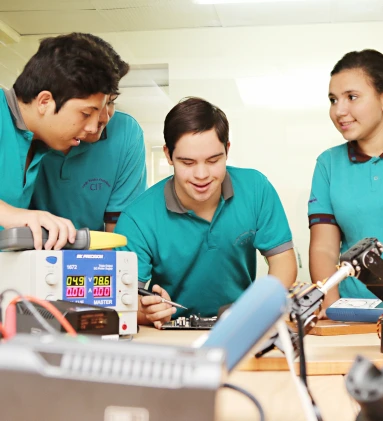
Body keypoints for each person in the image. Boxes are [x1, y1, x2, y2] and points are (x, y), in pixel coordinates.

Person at [115, 97, 297, 328]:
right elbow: (123, 301)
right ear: (168, 156)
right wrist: (148, 311)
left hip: (242, 326)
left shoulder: (256, 188)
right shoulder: (137, 218)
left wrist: (260, 309)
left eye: (213, 160)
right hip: (172, 333)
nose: (201, 175)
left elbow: (283, 261)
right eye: (188, 163)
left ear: (227, 150)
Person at [308, 49, 383, 311]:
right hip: (355, 310)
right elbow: (324, 246)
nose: (339, 110)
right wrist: (330, 301)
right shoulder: (328, 164)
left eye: (352, 97)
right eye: (333, 100)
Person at [0, 32, 120, 250]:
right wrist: (11, 215)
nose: (94, 128)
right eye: (85, 114)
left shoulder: (37, 143)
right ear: (45, 101)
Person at [31, 36, 147, 233]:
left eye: (110, 102)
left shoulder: (127, 133)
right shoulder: (22, 131)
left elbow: (119, 235)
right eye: (87, 111)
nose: (101, 119)